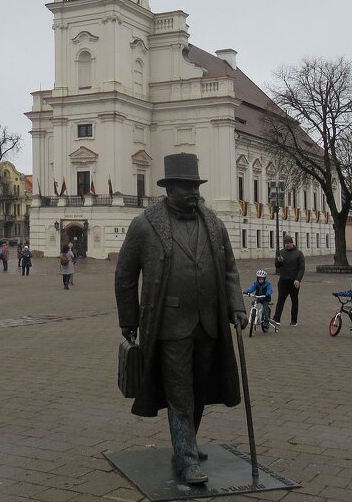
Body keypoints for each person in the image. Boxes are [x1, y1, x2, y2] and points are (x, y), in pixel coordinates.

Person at [115, 152, 245, 486]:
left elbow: (229, 268)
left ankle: (186, 442)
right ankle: (186, 458)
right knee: (179, 391)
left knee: (199, 388)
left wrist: (237, 306)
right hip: (169, 324)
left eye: (195, 186)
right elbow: (125, 275)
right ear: (169, 188)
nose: (193, 193)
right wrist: (128, 318)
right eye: (186, 187)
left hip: (208, 320)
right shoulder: (145, 224)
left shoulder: (213, 222)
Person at [273, 235, 305, 327]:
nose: (286, 245)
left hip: (294, 281)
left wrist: (298, 279)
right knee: (280, 300)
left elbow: (301, 269)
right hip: (283, 281)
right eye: (285, 244)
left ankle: (294, 320)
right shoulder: (281, 252)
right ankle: (276, 319)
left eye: (288, 243)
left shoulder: (299, 253)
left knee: (294, 300)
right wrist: (278, 261)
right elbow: (277, 266)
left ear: (292, 243)